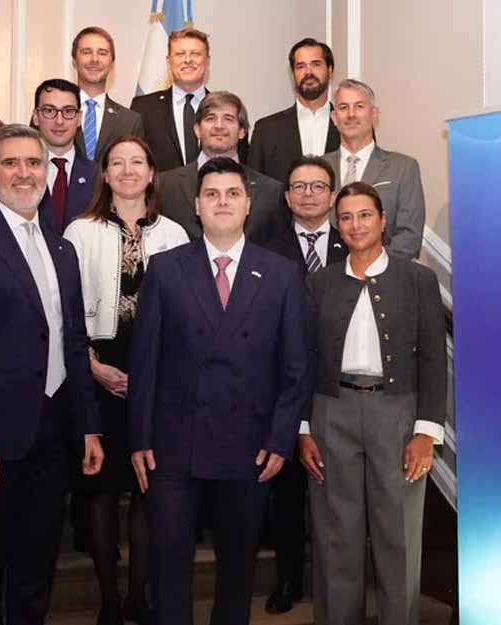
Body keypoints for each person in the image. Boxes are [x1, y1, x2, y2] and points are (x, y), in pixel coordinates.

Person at [128, 157, 310, 625]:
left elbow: (295, 368)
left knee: (238, 567)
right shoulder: (166, 269)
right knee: (169, 564)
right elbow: (144, 362)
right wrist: (139, 439)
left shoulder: (282, 273)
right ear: (196, 205)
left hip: (250, 446)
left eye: (232, 194)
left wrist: (280, 439)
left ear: (249, 204)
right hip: (173, 444)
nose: (222, 202)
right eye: (212, 194)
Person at [0, 124, 104, 625]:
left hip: (53, 435)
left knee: (36, 566)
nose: (24, 173)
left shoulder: (61, 249)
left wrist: (88, 425)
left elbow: (74, 342)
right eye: (11, 163)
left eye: (33, 162)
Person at [300, 182, 446, 625]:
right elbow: (304, 359)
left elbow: (434, 360)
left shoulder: (418, 280)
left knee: (398, 535)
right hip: (332, 412)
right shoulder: (320, 282)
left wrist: (426, 432)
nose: (356, 225)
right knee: (336, 536)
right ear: (336, 224)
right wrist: (303, 428)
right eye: (345, 217)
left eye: (365, 215)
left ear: (383, 221)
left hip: (397, 414)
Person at [64, 135, 189, 625]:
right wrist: (92, 366)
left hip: (156, 373)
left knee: (146, 487)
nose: (128, 170)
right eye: (118, 162)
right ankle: (110, 601)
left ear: (152, 173)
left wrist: (154, 377)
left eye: (138, 162)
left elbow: (186, 316)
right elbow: (64, 311)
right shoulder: (80, 231)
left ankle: (139, 595)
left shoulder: (175, 234)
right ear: (105, 173)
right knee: (99, 489)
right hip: (96, 368)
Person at [260, 155, 348, 614]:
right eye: (299, 186)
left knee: (340, 494)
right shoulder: (265, 250)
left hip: (340, 388)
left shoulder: (354, 245)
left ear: (332, 196)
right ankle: (288, 579)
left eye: (318, 186)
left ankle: (338, 584)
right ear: (287, 197)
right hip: (283, 385)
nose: (308, 194)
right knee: (288, 492)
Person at [158, 91, 288, 245]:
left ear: (242, 131)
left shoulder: (271, 191)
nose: (219, 126)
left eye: (228, 119)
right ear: (197, 129)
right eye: (210, 118)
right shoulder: (165, 185)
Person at [324, 79, 425, 258]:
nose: (351, 114)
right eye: (343, 107)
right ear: (334, 117)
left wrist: (369, 267)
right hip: (327, 272)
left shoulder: (403, 168)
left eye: (359, 106)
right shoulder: (319, 169)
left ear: (374, 114)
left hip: (386, 272)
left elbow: (410, 237)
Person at [248, 38, 341, 184]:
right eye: (300, 66)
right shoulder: (266, 130)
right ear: (293, 74)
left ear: (330, 70)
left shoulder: (351, 125)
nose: (308, 72)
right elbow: (255, 187)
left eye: (316, 64)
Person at [131, 27, 211, 172]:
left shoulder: (224, 108)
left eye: (195, 54)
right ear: (169, 62)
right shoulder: (143, 108)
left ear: (207, 61)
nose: (188, 60)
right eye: (180, 54)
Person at [32, 78, 100, 235]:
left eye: (68, 111)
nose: (59, 121)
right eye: (49, 111)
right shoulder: (20, 173)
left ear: (79, 118)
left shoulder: (98, 176)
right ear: (36, 116)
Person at [71, 26, 146, 163]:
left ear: (112, 64)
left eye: (102, 53)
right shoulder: (53, 112)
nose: (94, 59)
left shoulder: (130, 121)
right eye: (86, 52)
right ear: (74, 61)